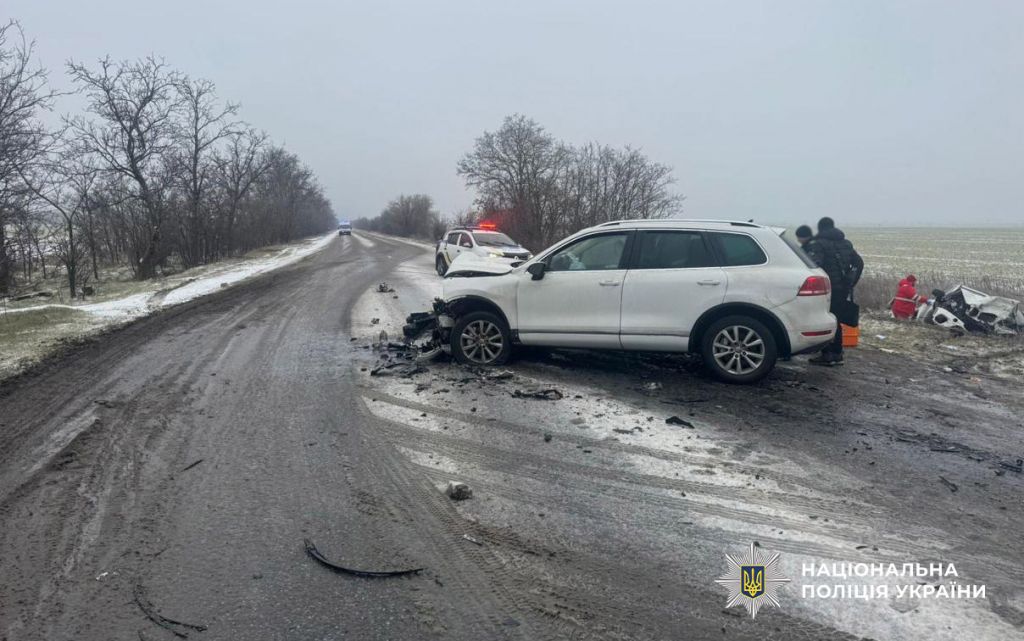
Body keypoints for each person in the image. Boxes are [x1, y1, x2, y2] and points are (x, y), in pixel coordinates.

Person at [804, 217, 864, 365]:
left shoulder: (818, 244)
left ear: (820, 228)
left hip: (827, 288)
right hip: (843, 288)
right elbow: (859, 263)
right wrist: (851, 282)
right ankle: (836, 352)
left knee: (828, 319)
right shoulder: (845, 243)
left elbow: (814, 264)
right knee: (836, 319)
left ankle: (831, 354)